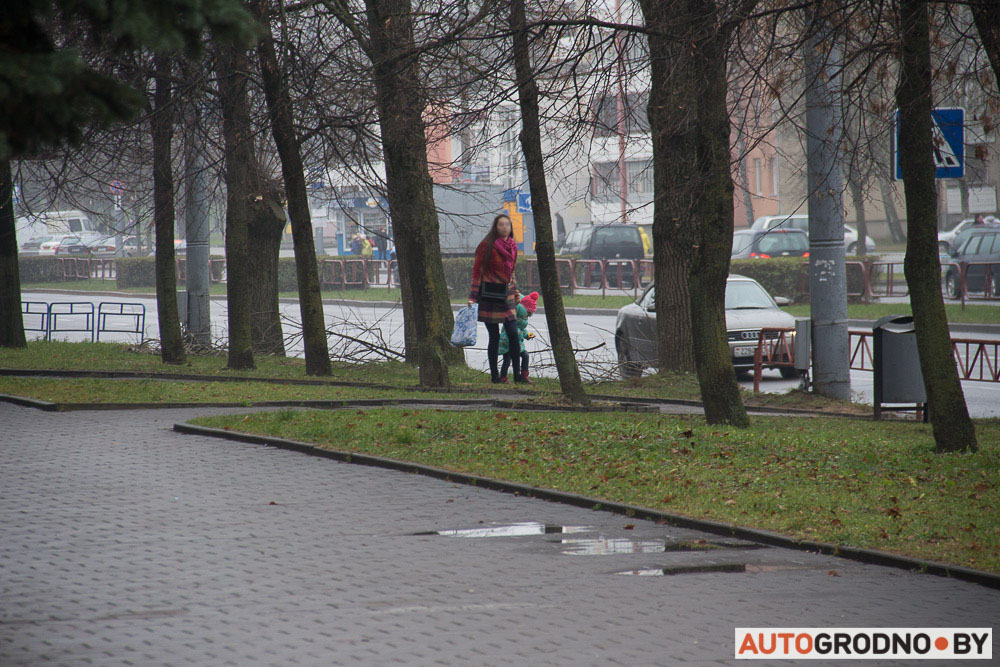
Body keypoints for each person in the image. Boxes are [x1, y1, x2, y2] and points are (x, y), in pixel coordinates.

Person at [469, 214, 523, 383]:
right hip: (490, 295)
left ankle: (518, 375)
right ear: (495, 227)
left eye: (507, 224)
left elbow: (511, 272)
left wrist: (515, 291)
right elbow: (477, 271)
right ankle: (494, 376)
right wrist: (472, 296)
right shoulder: (486, 245)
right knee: (494, 336)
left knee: (513, 333)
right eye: (501, 224)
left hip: (506, 295)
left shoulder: (513, 246)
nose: (505, 227)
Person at [498, 291, 538, 383]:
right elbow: (514, 329)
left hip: (518, 344)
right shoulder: (514, 317)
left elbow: (521, 329)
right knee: (507, 360)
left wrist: (527, 335)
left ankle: (524, 375)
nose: (527, 316)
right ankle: (503, 377)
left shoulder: (522, 320)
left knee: (525, 356)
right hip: (508, 343)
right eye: (527, 313)